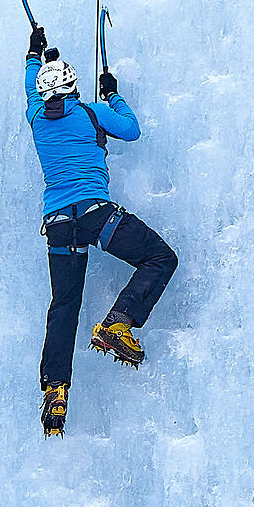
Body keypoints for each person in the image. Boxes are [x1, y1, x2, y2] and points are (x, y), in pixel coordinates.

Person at [25, 22, 178, 436]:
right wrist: (113, 94)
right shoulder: (91, 112)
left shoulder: (37, 119)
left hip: (59, 227)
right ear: (74, 88)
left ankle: (55, 391)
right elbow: (131, 129)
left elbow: (30, 87)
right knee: (160, 258)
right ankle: (118, 322)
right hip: (96, 215)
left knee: (64, 306)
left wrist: (33, 55)